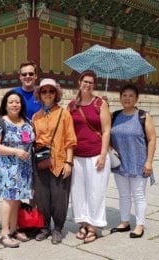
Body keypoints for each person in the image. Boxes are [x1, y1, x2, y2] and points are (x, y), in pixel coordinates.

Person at [68, 71, 111, 244]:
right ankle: (83, 223)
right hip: (78, 156)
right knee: (78, 192)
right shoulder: (71, 105)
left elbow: (107, 130)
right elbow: (68, 131)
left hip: (96, 155)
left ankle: (94, 226)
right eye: (85, 81)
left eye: (91, 83)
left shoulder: (100, 103)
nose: (88, 85)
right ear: (79, 82)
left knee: (96, 192)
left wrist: (103, 154)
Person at [0, 90, 35, 248]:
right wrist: (15, 151)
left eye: (17, 102)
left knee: (17, 199)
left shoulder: (27, 121)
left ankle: (14, 229)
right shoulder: (0, 122)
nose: (15, 105)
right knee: (8, 199)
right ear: (5, 105)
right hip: (7, 168)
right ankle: (4, 233)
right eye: (11, 102)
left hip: (24, 168)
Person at [32, 78, 77, 245]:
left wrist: (69, 162)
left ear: (56, 94)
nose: (47, 94)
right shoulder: (36, 116)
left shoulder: (64, 114)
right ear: (40, 95)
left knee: (59, 198)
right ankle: (44, 227)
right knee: (42, 197)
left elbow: (70, 139)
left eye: (51, 91)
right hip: (41, 161)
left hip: (59, 161)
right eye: (44, 92)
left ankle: (58, 227)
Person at [110, 84, 156, 238]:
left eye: (131, 95)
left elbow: (152, 139)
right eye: (124, 95)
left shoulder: (143, 116)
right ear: (120, 97)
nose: (127, 98)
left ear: (136, 98)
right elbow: (106, 135)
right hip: (120, 163)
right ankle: (124, 222)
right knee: (123, 194)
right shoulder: (115, 116)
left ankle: (139, 225)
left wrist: (149, 162)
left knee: (138, 195)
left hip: (138, 162)